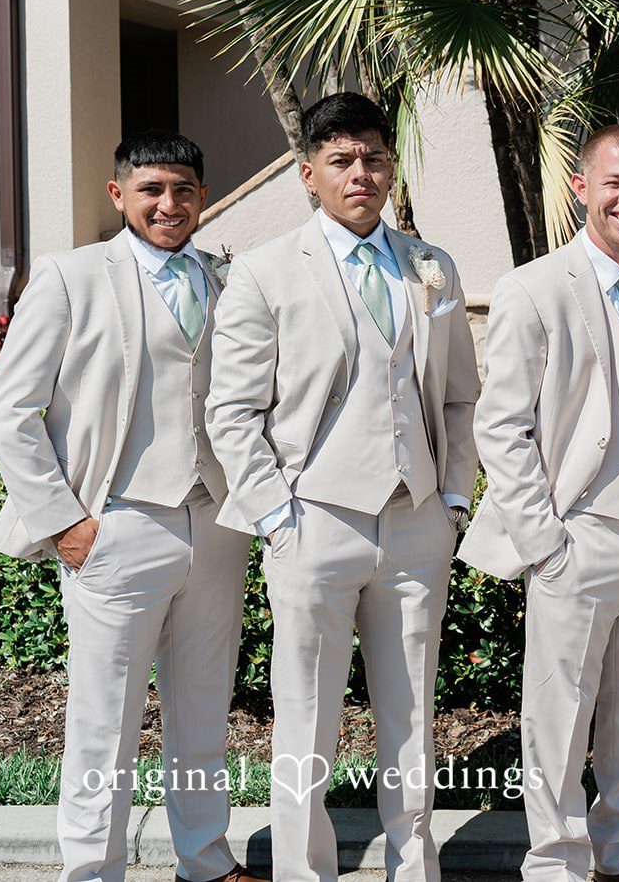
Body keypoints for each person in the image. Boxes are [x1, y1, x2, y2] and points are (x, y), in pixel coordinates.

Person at [205, 93, 479, 882]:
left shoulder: (432, 265)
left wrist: (453, 500)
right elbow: (233, 411)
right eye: (342, 160)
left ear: (390, 166)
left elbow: (461, 396)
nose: (361, 172)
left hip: (416, 521)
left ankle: (413, 867)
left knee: (412, 716)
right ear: (308, 174)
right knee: (305, 721)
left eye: (374, 157)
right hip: (312, 520)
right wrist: (276, 516)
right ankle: (303, 872)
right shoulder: (262, 271)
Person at [0, 132, 257, 882]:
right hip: (117, 520)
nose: (168, 204)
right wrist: (65, 522)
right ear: (120, 196)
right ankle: (92, 870)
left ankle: (205, 860)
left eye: (182, 190)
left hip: (214, 520)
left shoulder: (229, 279)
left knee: (204, 707)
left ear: (202, 195)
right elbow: (12, 410)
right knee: (102, 717)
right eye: (151, 190)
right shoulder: (71, 277)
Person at [458, 125, 619, 882]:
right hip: (577, 530)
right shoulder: (534, 288)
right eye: (613, 182)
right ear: (582, 187)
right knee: (560, 711)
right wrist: (545, 541)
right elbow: (502, 426)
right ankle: (558, 859)